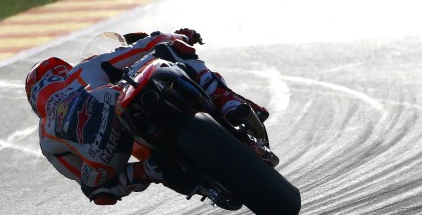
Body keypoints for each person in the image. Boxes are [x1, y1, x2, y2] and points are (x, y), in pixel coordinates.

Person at [24, 28, 269, 205]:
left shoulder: (45, 135)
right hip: (115, 106)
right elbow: (148, 46)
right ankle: (228, 101)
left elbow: (97, 193)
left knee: (99, 186)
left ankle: (154, 169)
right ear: (62, 70)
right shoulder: (82, 70)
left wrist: (141, 172)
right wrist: (180, 37)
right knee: (169, 49)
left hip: (107, 158)